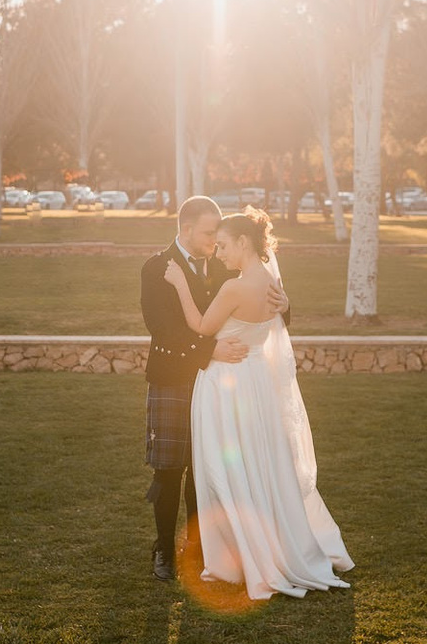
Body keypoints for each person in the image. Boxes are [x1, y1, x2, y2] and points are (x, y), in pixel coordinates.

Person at [161, 206, 353, 600]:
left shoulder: (234, 288)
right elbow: (274, 322)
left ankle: (238, 555)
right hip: (257, 386)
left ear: (244, 242)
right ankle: (262, 544)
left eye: (224, 246)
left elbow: (201, 327)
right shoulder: (271, 282)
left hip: (225, 387)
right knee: (259, 464)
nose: (218, 253)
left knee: (225, 469)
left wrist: (180, 284)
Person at [139, 195, 286, 583]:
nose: (215, 241)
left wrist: (285, 303)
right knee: (169, 470)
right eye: (208, 233)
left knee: (206, 468)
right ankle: (164, 548)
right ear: (186, 229)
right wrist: (210, 350)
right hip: (173, 378)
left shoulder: (225, 263)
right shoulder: (157, 267)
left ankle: (199, 548)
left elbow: (259, 301)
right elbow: (161, 328)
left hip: (221, 384)